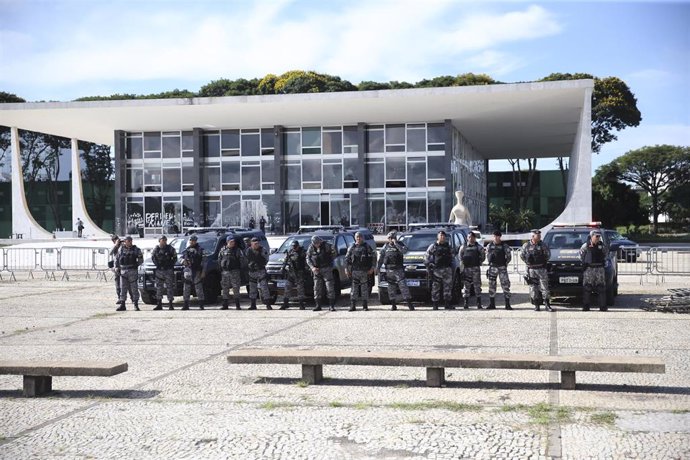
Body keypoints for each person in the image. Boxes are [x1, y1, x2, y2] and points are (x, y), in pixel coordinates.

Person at [377, 231, 413, 311]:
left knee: (403, 287)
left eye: (392, 238)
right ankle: (393, 305)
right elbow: (381, 258)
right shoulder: (385, 246)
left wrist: (396, 243)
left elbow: (404, 251)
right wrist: (378, 267)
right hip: (389, 270)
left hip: (398, 270)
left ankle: (409, 304)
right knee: (391, 288)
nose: (390, 239)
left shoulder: (400, 244)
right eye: (389, 238)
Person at [520, 229, 553, 312]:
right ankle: (536, 305)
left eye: (539, 235)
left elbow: (548, 255)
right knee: (533, 288)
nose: (539, 237)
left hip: (541, 269)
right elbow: (522, 255)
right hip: (531, 270)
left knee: (544, 288)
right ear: (532, 236)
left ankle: (547, 304)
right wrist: (528, 262)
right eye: (537, 236)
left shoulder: (543, 245)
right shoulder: (526, 245)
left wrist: (542, 261)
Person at [345, 231, 376, 311]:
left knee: (364, 289)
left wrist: (372, 268)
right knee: (354, 289)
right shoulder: (352, 247)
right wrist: (347, 269)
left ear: (362, 238)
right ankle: (353, 305)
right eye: (357, 237)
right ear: (355, 238)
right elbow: (347, 259)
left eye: (360, 237)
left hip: (364, 271)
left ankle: (365, 305)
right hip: (354, 271)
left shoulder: (366, 247)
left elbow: (373, 257)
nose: (358, 238)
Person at [425, 230, 455, 310]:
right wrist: (429, 265)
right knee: (435, 287)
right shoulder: (433, 246)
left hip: (447, 269)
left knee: (448, 287)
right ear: (437, 237)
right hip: (437, 270)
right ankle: (435, 304)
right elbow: (426, 256)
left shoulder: (448, 246)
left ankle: (447, 304)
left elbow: (453, 256)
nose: (442, 237)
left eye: (443, 236)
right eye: (441, 235)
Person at [580, 229, 609, 311]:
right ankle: (586, 306)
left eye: (599, 236)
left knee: (601, 288)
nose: (598, 238)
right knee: (587, 288)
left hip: (599, 269)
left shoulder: (602, 246)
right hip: (589, 269)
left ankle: (603, 306)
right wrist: (585, 263)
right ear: (591, 237)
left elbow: (606, 254)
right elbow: (581, 256)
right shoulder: (585, 246)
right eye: (596, 236)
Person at [306, 235, 337, 311]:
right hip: (316, 270)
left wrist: (329, 263)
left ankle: (331, 305)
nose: (317, 244)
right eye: (315, 243)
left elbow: (334, 254)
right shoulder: (311, 247)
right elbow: (308, 258)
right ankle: (318, 305)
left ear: (320, 241)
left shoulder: (327, 246)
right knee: (317, 288)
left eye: (317, 243)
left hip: (326, 268)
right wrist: (312, 267)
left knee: (329, 287)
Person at [486, 230, 513, 310]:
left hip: (502, 268)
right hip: (492, 267)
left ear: (500, 237)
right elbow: (487, 256)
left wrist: (505, 264)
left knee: (505, 285)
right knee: (491, 285)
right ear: (493, 237)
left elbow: (509, 257)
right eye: (494, 236)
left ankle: (507, 304)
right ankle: (492, 304)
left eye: (497, 236)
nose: (496, 238)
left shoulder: (504, 246)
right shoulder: (489, 246)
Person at [115, 236, 143, 311]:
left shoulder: (136, 249)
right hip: (123, 271)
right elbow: (117, 259)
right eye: (127, 241)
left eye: (130, 241)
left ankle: (136, 304)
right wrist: (116, 267)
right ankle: (122, 304)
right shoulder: (121, 249)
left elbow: (141, 260)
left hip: (132, 271)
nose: (129, 242)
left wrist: (135, 266)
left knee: (134, 289)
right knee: (123, 289)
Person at [459, 231, 486, 309]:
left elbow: (483, 257)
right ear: (467, 238)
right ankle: (466, 303)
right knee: (466, 286)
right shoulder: (463, 247)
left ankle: (479, 303)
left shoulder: (479, 247)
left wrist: (478, 262)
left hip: (476, 269)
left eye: (472, 237)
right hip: (466, 269)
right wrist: (463, 266)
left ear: (475, 238)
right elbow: (460, 257)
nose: (471, 238)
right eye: (469, 237)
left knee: (477, 286)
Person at [218, 236, 245, 310]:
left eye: (233, 242)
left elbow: (242, 260)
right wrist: (221, 268)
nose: (232, 243)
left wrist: (239, 269)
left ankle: (237, 305)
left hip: (235, 272)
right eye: (231, 242)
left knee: (236, 288)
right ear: (227, 242)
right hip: (225, 272)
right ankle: (225, 304)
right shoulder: (223, 250)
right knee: (225, 288)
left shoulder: (238, 250)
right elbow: (219, 259)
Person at [151, 235, 177, 310]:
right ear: (159, 241)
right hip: (159, 270)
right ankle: (159, 304)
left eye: (165, 240)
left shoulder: (170, 249)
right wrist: (158, 265)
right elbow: (153, 257)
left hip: (168, 270)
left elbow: (175, 258)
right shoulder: (156, 249)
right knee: (159, 287)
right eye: (162, 240)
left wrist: (170, 265)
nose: (164, 241)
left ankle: (170, 304)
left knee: (170, 287)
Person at [245, 237, 272, 310]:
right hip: (252, 271)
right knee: (252, 288)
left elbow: (266, 259)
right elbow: (245, 260)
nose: (256, 245)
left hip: (261, 271)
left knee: (264, 288)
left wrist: (260, 264)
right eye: (254, 243)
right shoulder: (248, 250)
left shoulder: (263, 250)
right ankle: (253, 305)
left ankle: (268, 304)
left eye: (257, 243)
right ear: (251, 244)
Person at [280, 240, 308, 310]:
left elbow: (306, 262)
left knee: (300, 289)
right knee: (287, 287)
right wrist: (283, 268)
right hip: (291, 273)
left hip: (299, 273)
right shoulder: (290, 252)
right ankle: (285, 303)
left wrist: (306, 270)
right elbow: (286, 260)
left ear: (298, 246)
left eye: (295, 247)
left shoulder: (302, 252)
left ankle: (301, 304)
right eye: (293, 247)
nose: (294, 248)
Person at [182, 234, 205, 310]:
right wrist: (183, 261)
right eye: (191, 240)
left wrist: (203, 272)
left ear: (196, 241)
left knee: (199, 288)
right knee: (186, 288)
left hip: (197, 271)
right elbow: (181, 258)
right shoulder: (187, 250)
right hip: (188, 271)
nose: (192, 242)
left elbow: (204, 261)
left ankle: (201, 305)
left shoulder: (200, 250)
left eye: (194, 240)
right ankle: (186, 305)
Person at [109, 234, 123, 306]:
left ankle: (133, 298)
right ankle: (119, 298)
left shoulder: (123, 246)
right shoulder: (114, 247)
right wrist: (116, 245)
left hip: (124, 267)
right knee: (117, 283)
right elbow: (110, 253)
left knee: (127, 284)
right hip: (117, 268)